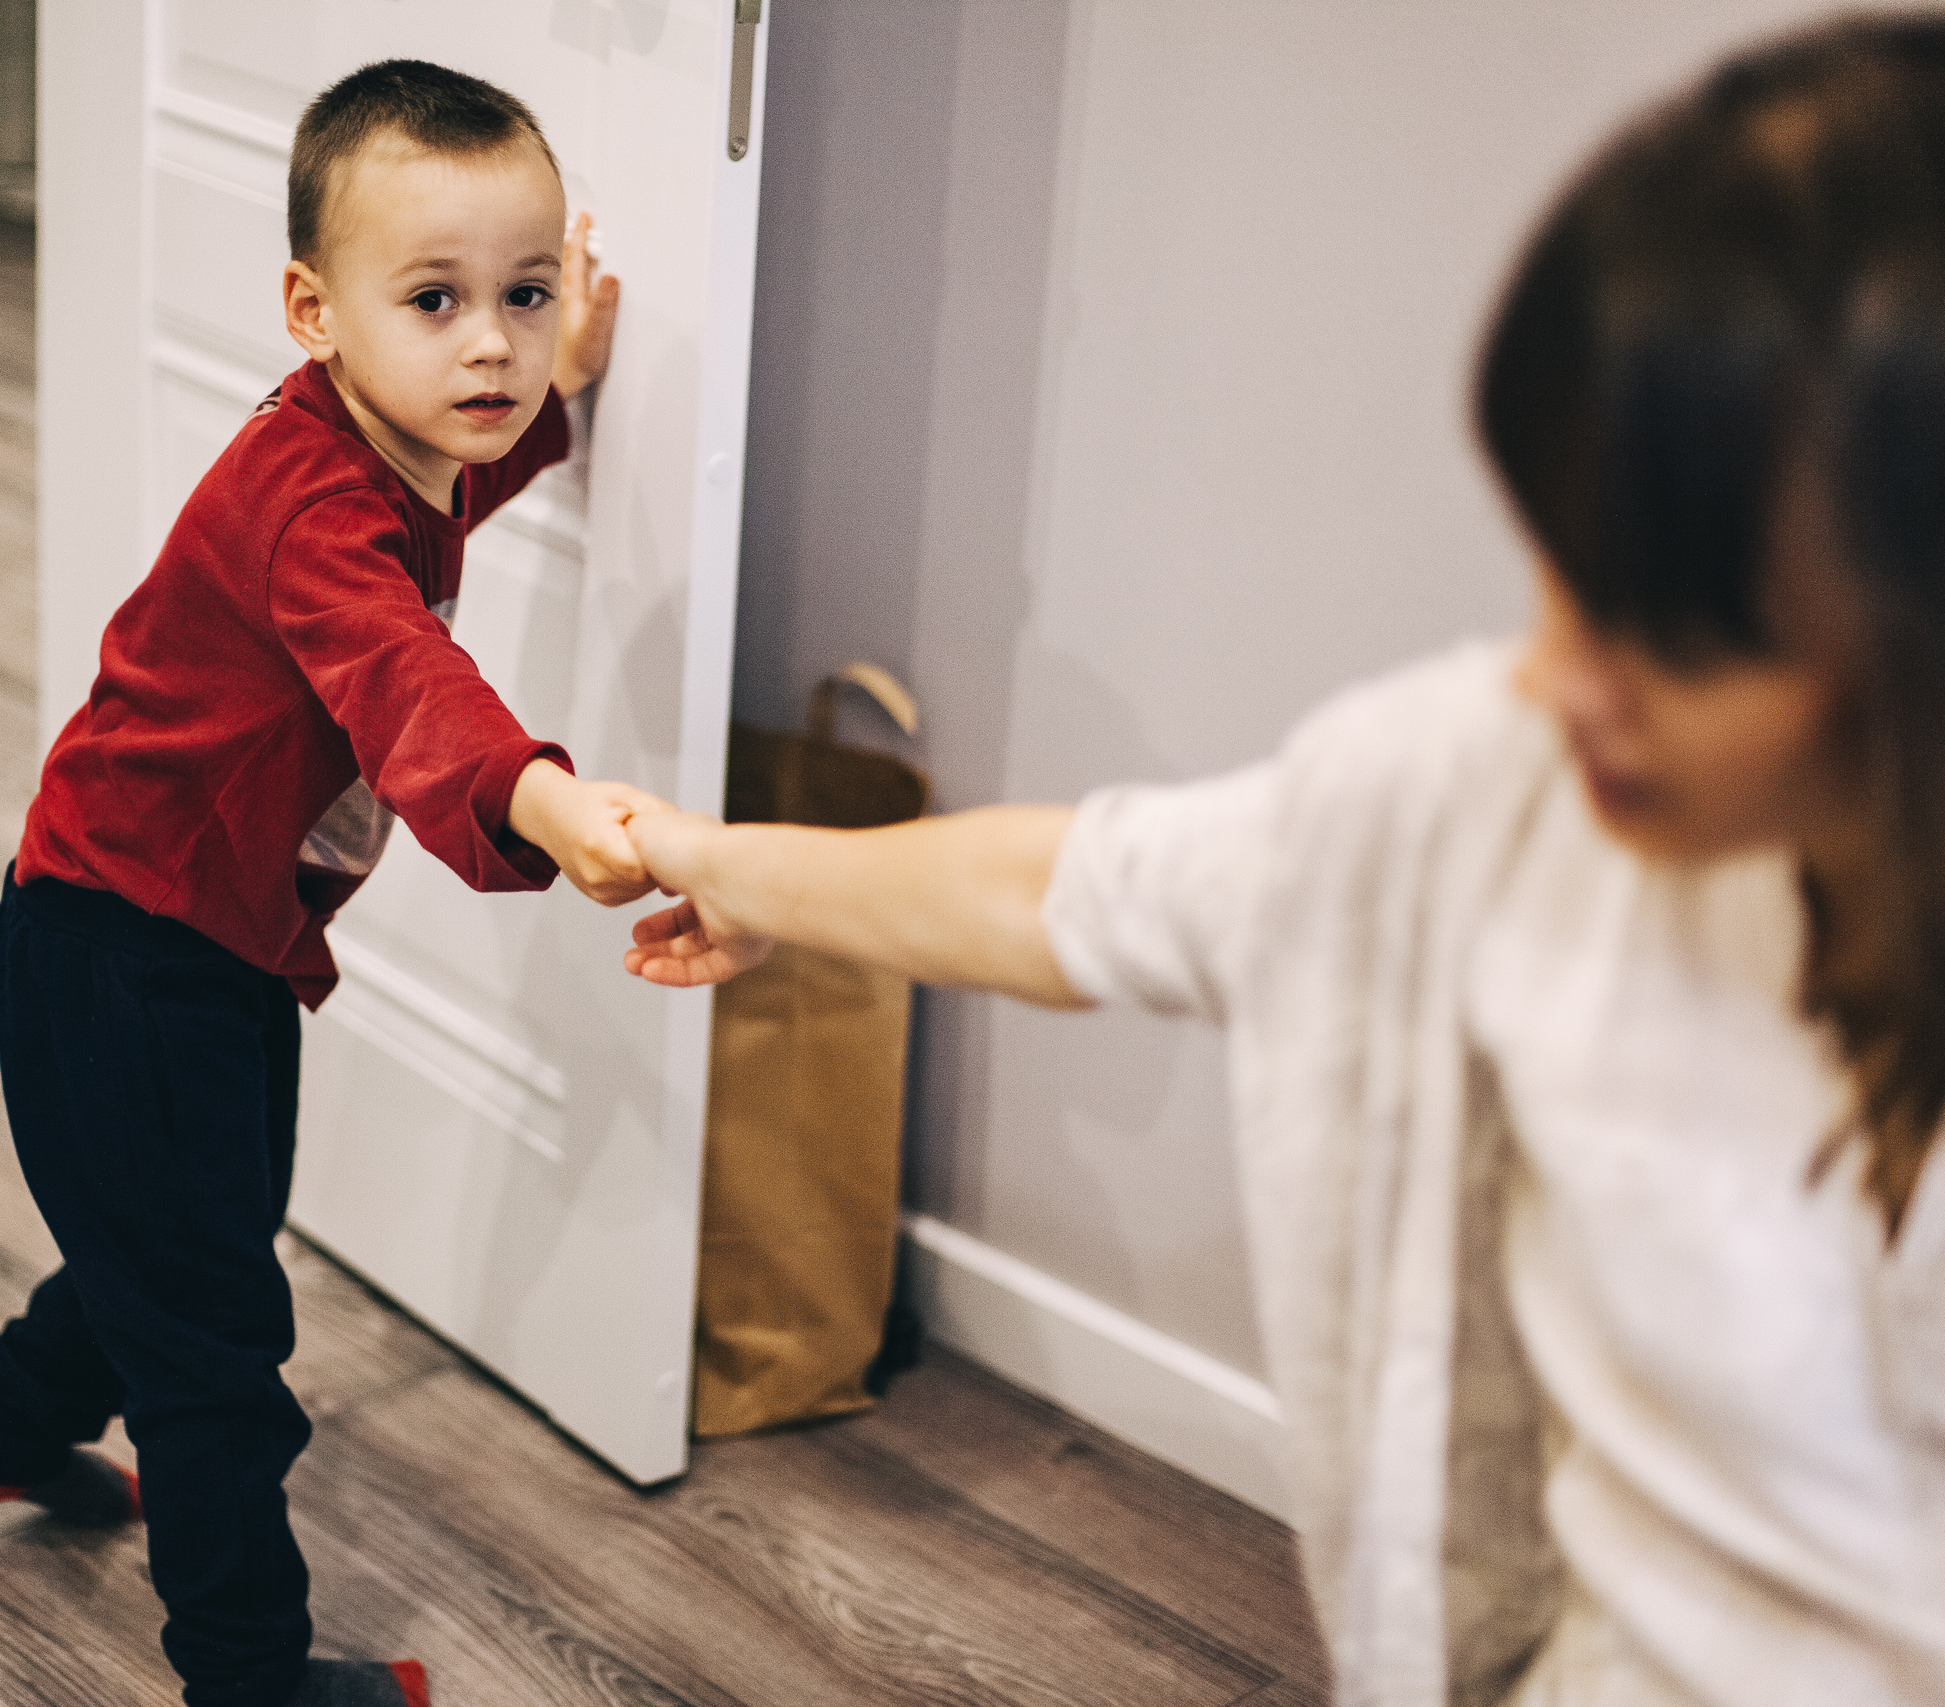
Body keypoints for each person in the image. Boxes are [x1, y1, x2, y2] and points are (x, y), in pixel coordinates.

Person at [623, 16, 1945, 1705]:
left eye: (1674, 636)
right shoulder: (1491, 786)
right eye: (1561, 566)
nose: (1555, 678)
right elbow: (1086, 891)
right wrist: (720, 862)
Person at [0, 60, 650, 1707]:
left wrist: (567, 394)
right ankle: (247, 1677)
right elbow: (400, 671)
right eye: (438, 299)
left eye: (526, 296)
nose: (492, 344)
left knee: (185, 1243)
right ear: (312, 311)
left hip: (195, 939)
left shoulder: (385, 436)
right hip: (122, 956)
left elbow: (461, 477)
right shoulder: (304, 505)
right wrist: (538, 799)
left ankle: (2, 1431)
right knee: (214, 1344)